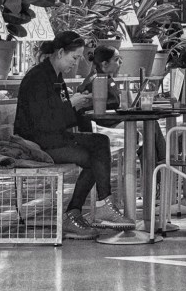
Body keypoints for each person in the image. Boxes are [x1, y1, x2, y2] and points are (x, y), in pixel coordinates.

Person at [14, 32, 134, 238]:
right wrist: (72, 104)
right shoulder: (38, 78)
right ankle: (88, 209)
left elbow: (61, 117)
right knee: (95, 152)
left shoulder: (55, 76)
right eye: (75, 57)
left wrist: (78, 105)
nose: (77, 63)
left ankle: (83, 210)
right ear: (60, 52)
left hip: (51, 136)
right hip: (35, 143)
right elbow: (44, 120)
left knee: (98, 146)